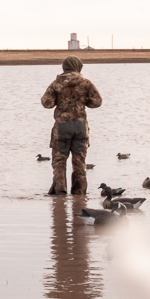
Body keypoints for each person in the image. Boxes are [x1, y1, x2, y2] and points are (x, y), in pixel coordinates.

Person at [41, 55, 102, 195]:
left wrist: (60, 101)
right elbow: (97, 102)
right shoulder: (86, 83)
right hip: (80, 127)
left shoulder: (56, 83)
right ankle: (79, 193)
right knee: (80, 161)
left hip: (62, 127)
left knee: (59, 160)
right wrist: (83, 102)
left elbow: (46, 103)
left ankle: (60, 191)